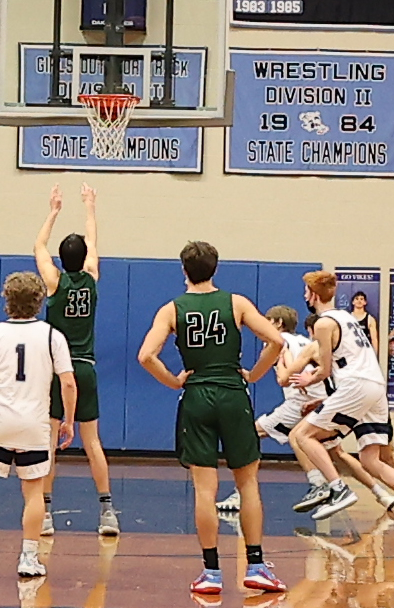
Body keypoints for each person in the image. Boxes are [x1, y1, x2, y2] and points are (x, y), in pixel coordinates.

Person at [137, 241, 287, 596]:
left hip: (197, 397)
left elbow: (146, 355)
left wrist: (174, 380)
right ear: (215, 269)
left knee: (205, 489)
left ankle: (211, 572)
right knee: (247, 483)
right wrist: (254, 375)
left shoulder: (171, 309)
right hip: (233, 394)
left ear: (184, 270)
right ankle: (255, 567)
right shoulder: (236, 303)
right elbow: (276, 341)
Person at [216, 306, 394, 516]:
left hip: (299, 403)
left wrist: (249, 373)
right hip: (323, 400)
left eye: (268, 320)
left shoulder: (276, 342)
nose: (264, 324)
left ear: (278, 323)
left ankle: (309, 485)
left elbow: (283, 378)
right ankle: (381, 494)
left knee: (251, 433)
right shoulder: (304, 341)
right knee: (336, 452)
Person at [0, 272, 77, 578]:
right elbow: (68, 383)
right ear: (40, 301)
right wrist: (69, 420)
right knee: (33, 492)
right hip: (35, 425)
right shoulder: (53, 336)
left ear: (7, 299)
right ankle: (29, 558)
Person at [289, 271, 394, 528]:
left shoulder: (323, 324)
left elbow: (324, 370)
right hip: (375, 386)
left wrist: (307, 380)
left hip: (355, 384)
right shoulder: (347, 317)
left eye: (306, 291)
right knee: (370, 459)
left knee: (302, 435)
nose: (304, 295)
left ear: (313, 295)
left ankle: (337, 488)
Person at [33, 183, 118, 537]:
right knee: (92, 442)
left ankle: (46, 513)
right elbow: (93, 241)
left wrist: (53, 210)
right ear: (84, 259)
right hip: (85, 368)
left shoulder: (54, 282)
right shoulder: (92, 278)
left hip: (56, 370)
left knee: (50, 441)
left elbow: (39, 247)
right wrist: (89, 206)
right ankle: (108, 512)